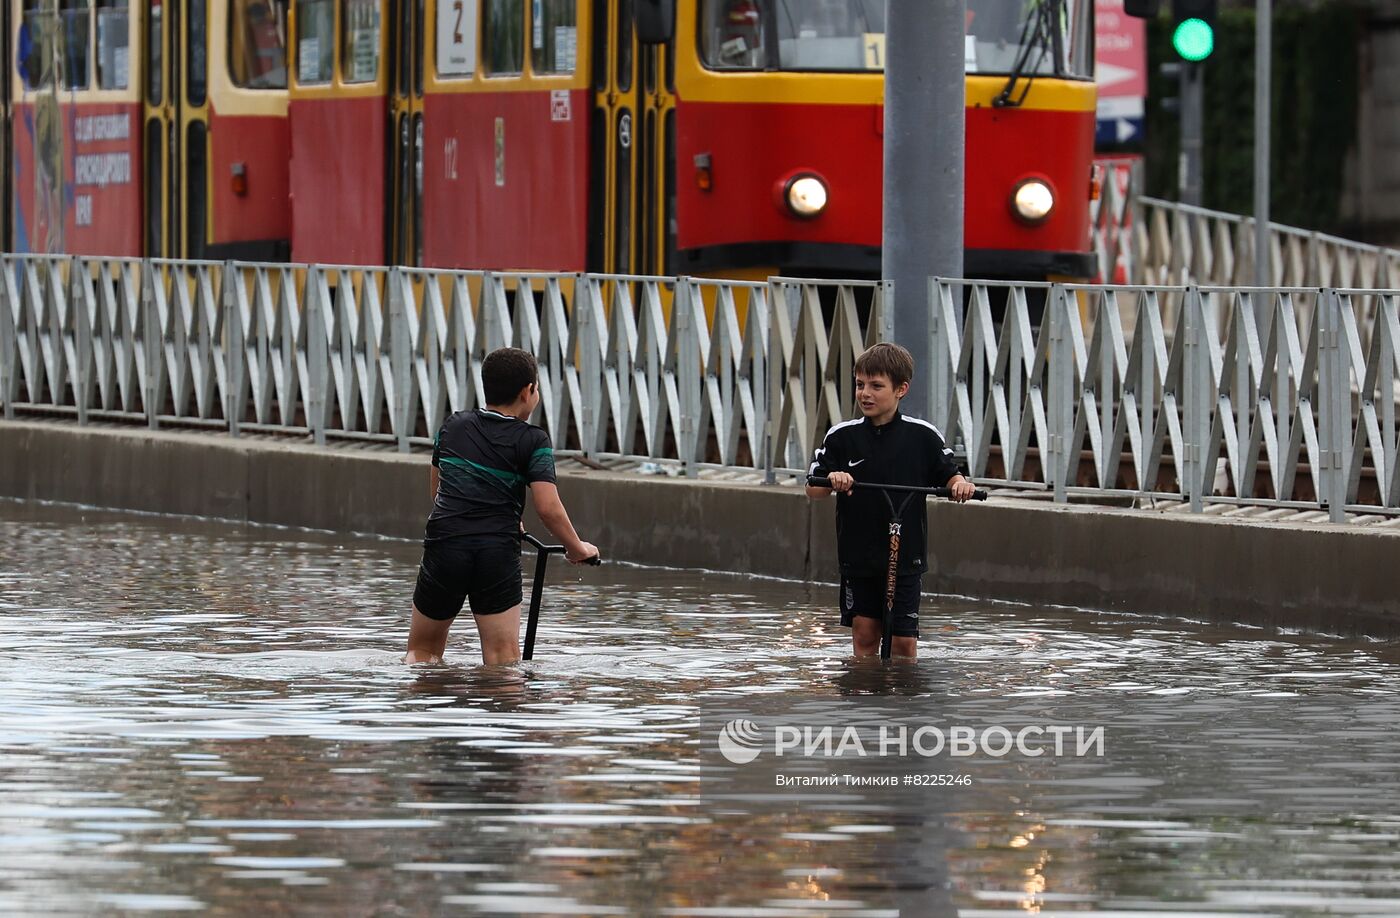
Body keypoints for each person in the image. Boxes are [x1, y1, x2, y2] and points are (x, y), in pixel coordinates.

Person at [404, 347, 598, 665]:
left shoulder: (453, 426)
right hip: (495, 552)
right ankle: (502, 714)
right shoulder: (533, 441)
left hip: (446, 543)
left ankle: (424, 712)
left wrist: (491, 510)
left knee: (422, 651)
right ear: (528, 391)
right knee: (502, 660)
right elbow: (548, 508)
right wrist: (576, 547)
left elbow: (440, 491)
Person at [806, 343, 976, 660]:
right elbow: (812, 490)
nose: (865, 394)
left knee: (903, 643)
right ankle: (864, 701)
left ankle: (902, 705)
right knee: (866, 636)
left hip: (906, 556)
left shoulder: (923, 436)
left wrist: (960, 485)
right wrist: (833, 480)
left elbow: (950, 475)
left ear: (901, 389)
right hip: (858, 556)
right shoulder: (842, 436)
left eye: (876, 386)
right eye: (860, 385)